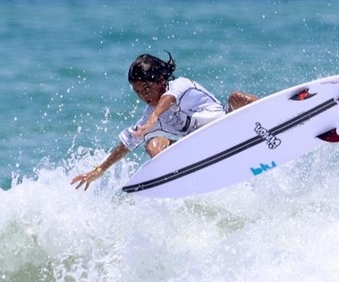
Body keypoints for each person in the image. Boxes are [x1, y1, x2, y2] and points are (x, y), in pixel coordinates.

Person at [71, 52, 258, 190]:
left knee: (236, 97)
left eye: (146, 88)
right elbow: (128, 142)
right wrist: (99, 169)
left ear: (161, 80)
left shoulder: (182, 85)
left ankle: (284, 113)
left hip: (230, 126)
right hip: (202, 147)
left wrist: (153, 118)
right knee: (153, 144)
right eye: (138, 92)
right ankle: (180, 179)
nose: (144, 96)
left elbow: (169, 98)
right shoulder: (150, 114)